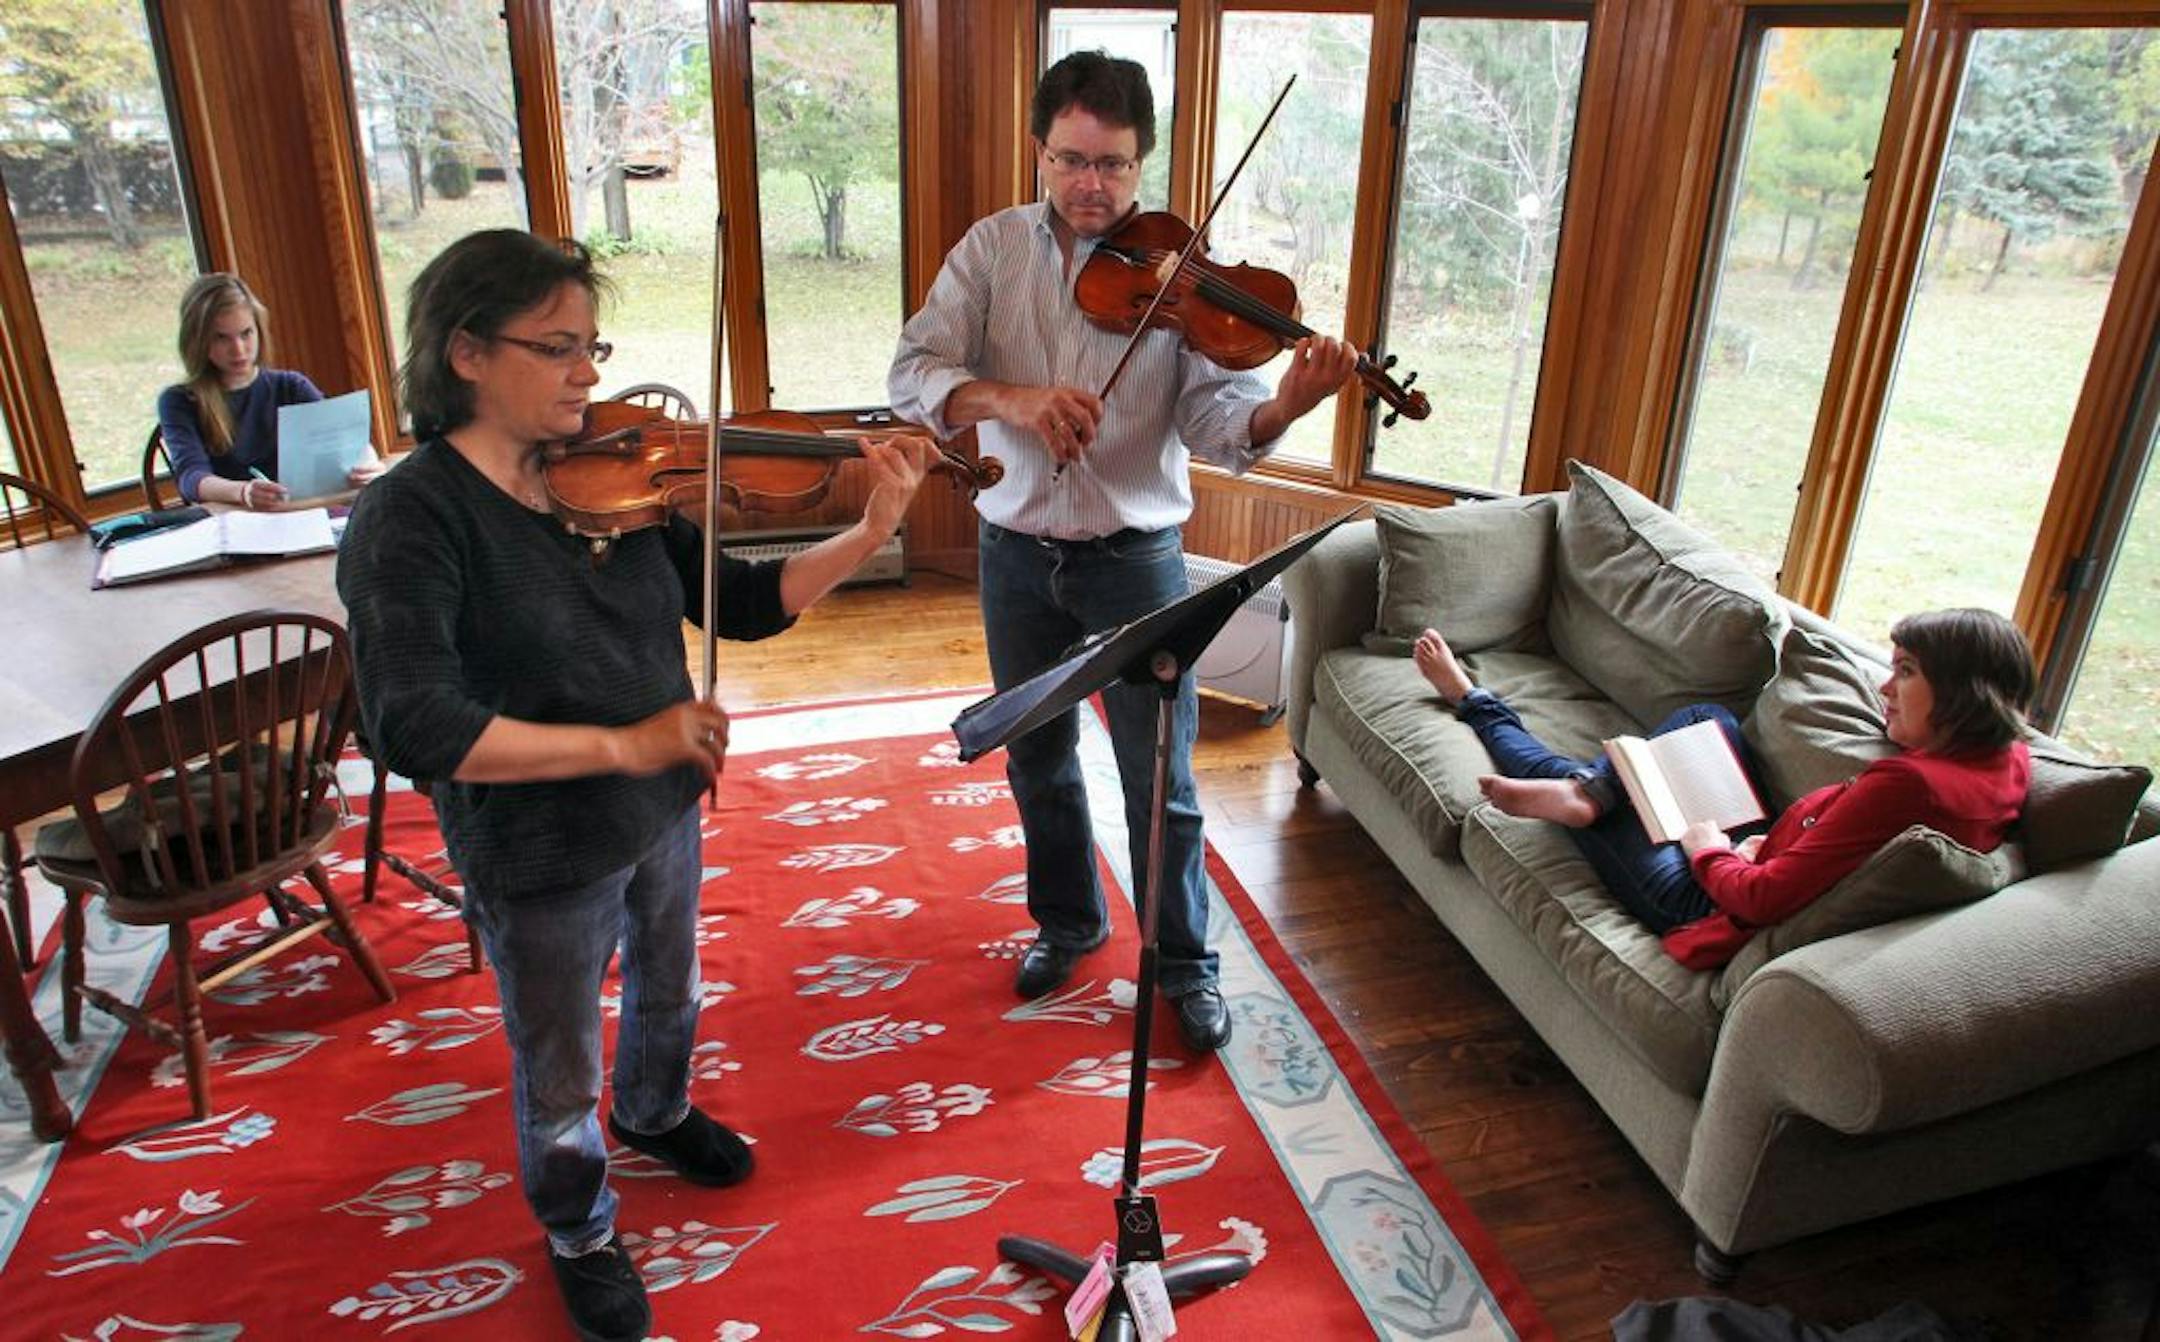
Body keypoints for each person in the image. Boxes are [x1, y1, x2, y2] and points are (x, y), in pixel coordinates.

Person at [337, 229, 932, 1342]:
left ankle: (655, 1110)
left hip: (661, 805)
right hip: (542, 845)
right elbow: (417, 724)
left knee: (671, 986)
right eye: (558, 347)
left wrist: (867, 530)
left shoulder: (619, 467)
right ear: (466, 352)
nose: (588, 373)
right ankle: (577, 1223)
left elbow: (739, 603)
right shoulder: (409, 517)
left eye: (591, 345)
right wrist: (628, 743)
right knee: (556, 1062)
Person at [887, 50, 1359, 1056]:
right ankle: (1069, 921)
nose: (1089, 185)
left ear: (1143, 161)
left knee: (1163, 780)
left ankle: (1185, 965)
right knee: (1038, 755)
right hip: (1016, 550)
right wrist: (1010, 400)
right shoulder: (992, 251)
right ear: (1039, 152)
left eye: (1111, 164)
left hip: (1137, 556)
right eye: (1070, 161)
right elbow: (914, 369)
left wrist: (1289, 400)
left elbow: (1218, 418)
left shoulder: (1185, 273)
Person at [1411, 609, 2035, 969]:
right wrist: (1757, 842)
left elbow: (1762, 904)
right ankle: (1597, 792)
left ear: (1963, 694)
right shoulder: (2006, 763)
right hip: (1748, 850)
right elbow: (1832, 852)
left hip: (1706, 897)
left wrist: (1711, 847)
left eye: (1906, 672)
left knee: (1566, 773)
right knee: (1705, 717)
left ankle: (1473, 701)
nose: (1884, 690)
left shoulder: (1910, 785)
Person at [157, 272, 385, 509]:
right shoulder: (179, 401)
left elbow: (342, 442)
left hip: (299, 512)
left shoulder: (291, 387)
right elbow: (191, 477)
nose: (239, 350)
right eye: (221, 338)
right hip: (234, 521)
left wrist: (367, 465)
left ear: (259, 330)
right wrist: (243, 491)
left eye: (246, 333)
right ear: (197, 341)